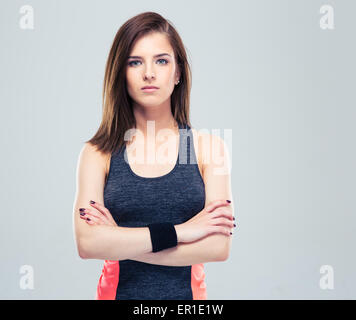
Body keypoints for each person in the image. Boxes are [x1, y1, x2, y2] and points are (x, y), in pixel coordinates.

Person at [72, 11, 236, 300]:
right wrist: (183, 232)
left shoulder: (209, 149)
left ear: (178, 73)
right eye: (135, 62)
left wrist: (119, 242)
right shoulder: (98, 152)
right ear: (121, 73)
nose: (149, 72)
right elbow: (88, 244)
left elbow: (218, 248)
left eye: (161, 60)